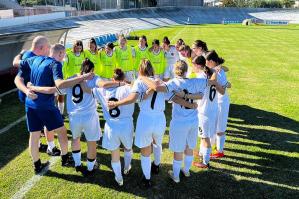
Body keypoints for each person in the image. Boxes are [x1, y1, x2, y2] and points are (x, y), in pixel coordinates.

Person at [108, 59, 196, 188]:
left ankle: (147, 178)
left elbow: (132, 98)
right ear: (152, 69)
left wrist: (116, 103)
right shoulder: (159, 81)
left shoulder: (140, 81)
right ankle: (156, 165)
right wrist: (190, 104)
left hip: (146, 118)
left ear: (140, 70)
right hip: (160, 119)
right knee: (157, 142)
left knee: (145, 149)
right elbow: (174, 98)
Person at [14, 44, 93, 173]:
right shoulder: (55, 64)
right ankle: (65, 158)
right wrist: (83, 77)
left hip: (30, 103)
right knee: (62, 131)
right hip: (45, 105)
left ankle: (37, 165)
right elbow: (60, 84)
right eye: (63, 56)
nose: (63, 59)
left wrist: (21, 53)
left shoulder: (35, 59)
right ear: (60, 54)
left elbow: (16, 63)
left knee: (33, 135)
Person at [138, 60, 206, 183]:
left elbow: (155, 89)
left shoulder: (170, 83)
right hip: (191, 119)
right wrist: (191, 105)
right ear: (186, 71)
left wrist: (141, 78)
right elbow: (197, 95)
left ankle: (171, 176)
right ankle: (184, 169)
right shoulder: (193, 81)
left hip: (173, 120)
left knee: (175, 149)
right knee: (188, 146)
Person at [13, 36, 60, 156]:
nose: (49, 50)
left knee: (36, 126)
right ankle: (50, 147)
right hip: (34, 96)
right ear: (41, 47)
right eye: (48, 47)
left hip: (33, 95)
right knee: (42, 124)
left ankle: (40, 145)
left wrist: (19, 54)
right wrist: (26, 91)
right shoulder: (32, 58)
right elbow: (18, 78)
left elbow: (15, 62)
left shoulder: (29, 54)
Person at [93, 69, 134, 186]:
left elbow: (89, 89)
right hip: (126, 124)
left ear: (112, 79)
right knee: (128, 148)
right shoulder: (129, 88)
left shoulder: (102, 90)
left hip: (111, 126)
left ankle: (119, 177)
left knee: (114, 153)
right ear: (123, 79)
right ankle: (126, 168)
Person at [205, 50, 230, 159]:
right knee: (213, 126)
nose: (205, 63)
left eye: (206, 61)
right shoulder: (215, 69)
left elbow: (223, 89)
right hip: (215, 102)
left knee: (220, 127)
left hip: (221, 102)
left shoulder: (219, 72)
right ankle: (212, 149)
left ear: (211, 61)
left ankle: (219, 151)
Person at [61, 40, 85, 116]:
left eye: (80, 48)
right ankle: (65, 111)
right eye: (77, 48)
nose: (78, 50)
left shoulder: (83, 55)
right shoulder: (68, 54)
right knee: (68, 95)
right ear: (74, 47)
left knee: (78, 94)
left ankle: (77, 109)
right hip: (70, 79)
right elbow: (64, 66)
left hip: (79, 79)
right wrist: (64, 77)